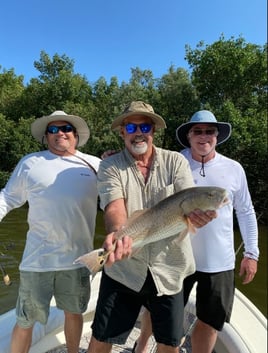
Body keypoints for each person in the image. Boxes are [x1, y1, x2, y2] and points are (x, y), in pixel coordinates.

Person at [86, 101, 217, 353]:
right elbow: (114, 206)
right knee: (101, 337)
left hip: (169, 267)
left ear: (153, 130)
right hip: (125, 269)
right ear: (122, 131)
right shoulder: (109, 165)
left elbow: (187, 199)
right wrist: (117, 232)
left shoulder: (176, 162)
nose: (138, 132)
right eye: (131, 126)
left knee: (169, 343)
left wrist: (198, 215)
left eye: (145, 125)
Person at [134, 110, 259, 353]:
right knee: (156, 311)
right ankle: (140, 348)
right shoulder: (171, 162)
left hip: (218, 262)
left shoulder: (234, 169)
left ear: (217, 136)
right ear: (189, 136)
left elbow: (246, 211)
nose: (204, 136)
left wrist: (251, 253)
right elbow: (138, 172)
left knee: (210, 321)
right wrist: (106, 157)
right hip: (175, 256)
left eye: (209, 131)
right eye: (197, 131)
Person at [0, 110, 101, 353]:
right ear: (46, 136)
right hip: (37, 261)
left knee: (74, 313)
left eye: (65, 128)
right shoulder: (30, 162)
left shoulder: (95, 164)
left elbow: (118, 198)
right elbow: (7, 198)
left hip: (78, 260)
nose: (60, 133)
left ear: (75, 135)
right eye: (53, 130)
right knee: (25, 321)